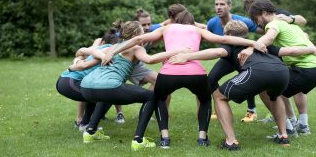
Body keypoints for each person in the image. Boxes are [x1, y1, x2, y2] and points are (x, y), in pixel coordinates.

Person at [101, 9, 265, 149]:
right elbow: (223, 39)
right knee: (205, 99)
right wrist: (253, 42)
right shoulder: (197, 30)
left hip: (169, 72)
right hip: (196, 73)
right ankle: (202, 138)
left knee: (159, 98)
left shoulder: (166, 28)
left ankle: (164, 138)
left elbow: (138, 39)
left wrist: (112, 51)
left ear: (176, 20)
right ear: (192, 22)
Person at [168, 20, 316, 149]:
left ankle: (231, 142)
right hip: (282, 72)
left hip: (258, 71)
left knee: (219, 96)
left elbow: (216, 54)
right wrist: (311, 49)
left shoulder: (231, 45)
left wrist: (187, 56)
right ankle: (283, 136)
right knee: (274, 96)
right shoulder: (259, 44)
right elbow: (289, 51)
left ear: (228, 35)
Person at [71, 20, 189, 150]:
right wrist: (178, 50)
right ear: (135, 35)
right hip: (108, 85)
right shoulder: (136, 48)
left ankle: (90, 132)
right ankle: (138, 140)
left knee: (106, 96)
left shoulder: (112, 47)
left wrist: (75, 64)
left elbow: (86, 63)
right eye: (143, 33)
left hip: (87, 87)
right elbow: (151, 59)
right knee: (151, 96)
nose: (144, 35)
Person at [249, 0, 316, 135]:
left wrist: (251, 47)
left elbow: (268, 39)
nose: (257, 23)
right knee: (279, 86)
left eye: (256, 18)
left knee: (266, 89)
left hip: (309, 69)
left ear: (263, 13)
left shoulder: (274, 24)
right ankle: (300, 125)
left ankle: (287, 128)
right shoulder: (290, 24)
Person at [241, 0, 308, 124]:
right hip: (280, 53)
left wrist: (291, 19)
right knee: (279, 88)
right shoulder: (259, 21)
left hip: (292, 53)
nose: (253, 17)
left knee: (294, 89)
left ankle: (301, 122)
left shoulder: (278, 14)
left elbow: (302, 20)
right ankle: (290, 119)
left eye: (253, 11)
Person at [206, 0, 263, 122]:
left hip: (242, 57)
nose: (219, 7)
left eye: (222, 4)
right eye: (216, 4)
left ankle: (251, 111)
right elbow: (205, 34)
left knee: (248, 80)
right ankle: (218, 108)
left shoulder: (243, 21)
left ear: (229, 6)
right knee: (211, 79)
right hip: (226, 58)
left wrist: (252, 47)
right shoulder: (212, 23)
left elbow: (265, 31)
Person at [56, 30, 118, 131]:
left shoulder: (98, 48)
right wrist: (72, 67)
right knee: (97, 95)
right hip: (70, 82)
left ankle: (83, 123)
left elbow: (81, 51)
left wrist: (76, 60)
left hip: (65, 80)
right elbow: (84, 63)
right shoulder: (107, 50)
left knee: (95, 94)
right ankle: (85, 124)